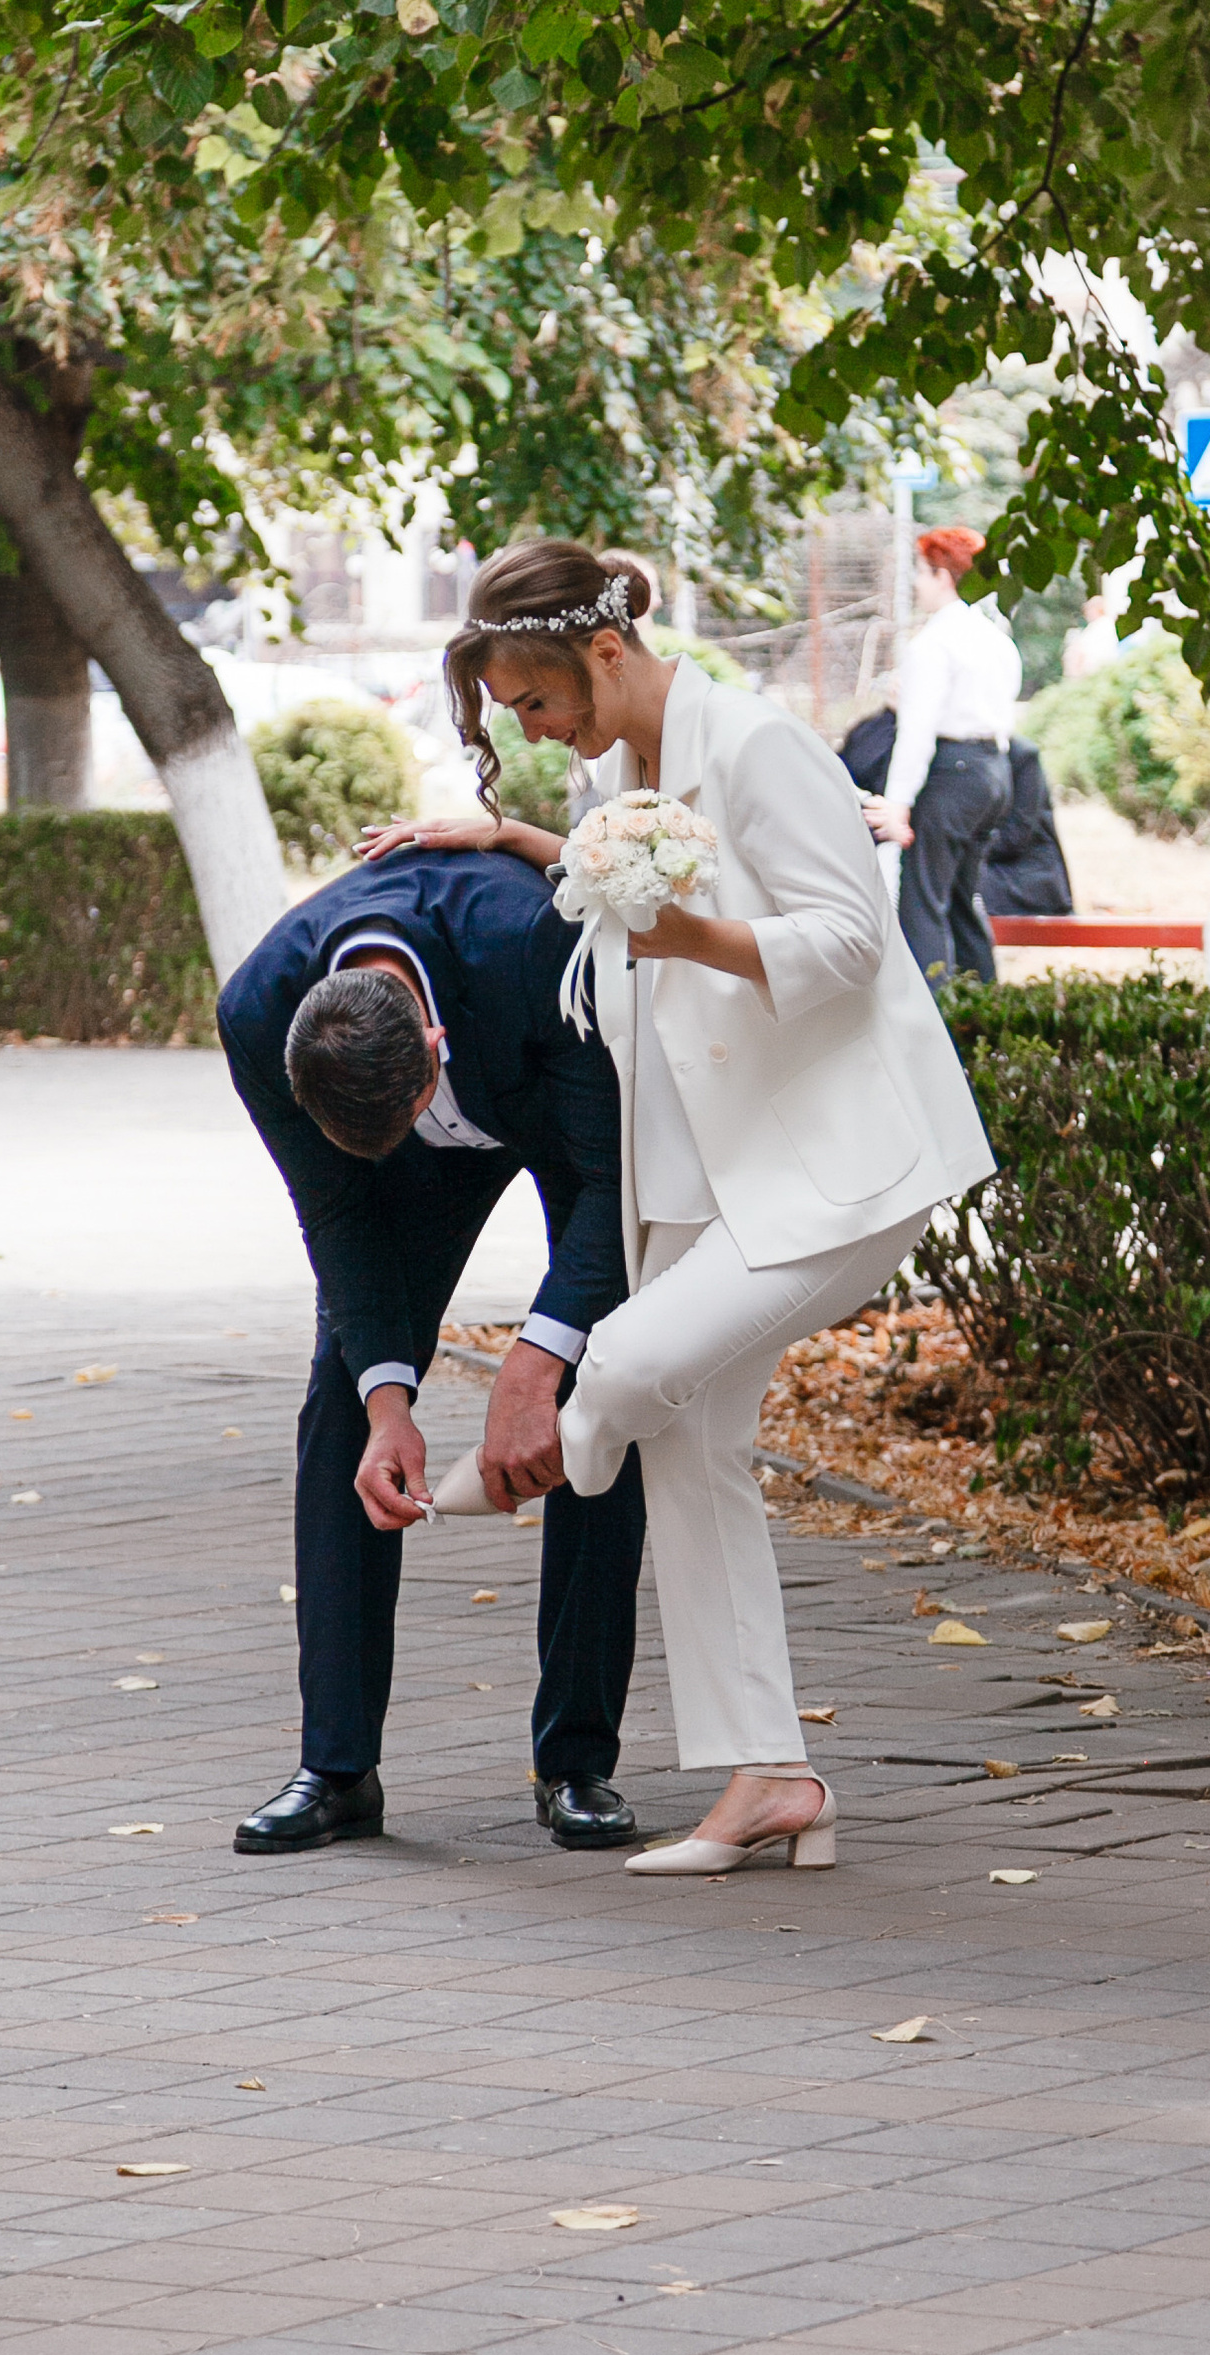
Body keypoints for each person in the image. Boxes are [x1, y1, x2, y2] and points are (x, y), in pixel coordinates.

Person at [367, 543, 993, 1879]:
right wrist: (521, 840)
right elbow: (614, 891)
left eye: (534, 702)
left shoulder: (759, 750)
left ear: (603, 654)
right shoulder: (615, 774)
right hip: (711, 1174)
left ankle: (534, 1460)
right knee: (696, 1454)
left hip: (833, 1170)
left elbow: (849, 938)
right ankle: (772, 1778)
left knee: (635, 1369)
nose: (530, 732)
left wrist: (687, 932)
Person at [215, 847, 644, 1857]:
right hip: (407, 1123)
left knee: (598, 1387)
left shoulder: (541, 948)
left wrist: (533, 1365)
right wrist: (387, 1402)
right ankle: (335, 1766)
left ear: (434, 1041)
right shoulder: (255, 1013)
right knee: (341, 1398)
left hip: (557, 1107)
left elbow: (615, 1181)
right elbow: (336, 1214)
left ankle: (575, 1761)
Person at [861, 524, 1023, 986]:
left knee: (922, 902)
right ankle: (987, 1019)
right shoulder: (996, 640)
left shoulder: (932, 643)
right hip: (994, 772)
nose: (915, 583)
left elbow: (917, 732)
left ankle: (929, 1027)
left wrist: (897, 804)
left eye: (921, 572)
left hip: (951, 775)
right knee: (960, 898)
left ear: (943, 576)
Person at [841, 708, 1073, 923]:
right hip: (967, 864)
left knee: (927, 888)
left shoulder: (1021, 756)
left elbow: (1014, 838)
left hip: (1018, 877)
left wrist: (945, 845)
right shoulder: (912, 747)